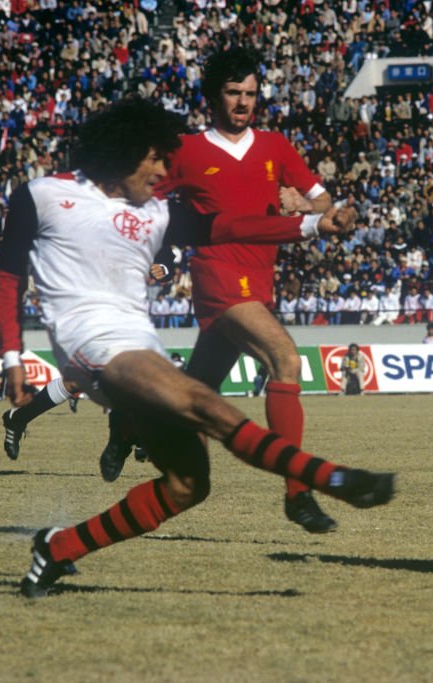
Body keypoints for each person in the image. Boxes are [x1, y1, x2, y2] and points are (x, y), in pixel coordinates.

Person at [0, 98, 394, 598]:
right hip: (87, 342)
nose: (165, 170)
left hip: (139, 343)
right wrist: (11, 354)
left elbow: (229, 228)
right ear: (128, 152)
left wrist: (312, 225)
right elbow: (7, 275)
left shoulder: (157, 209)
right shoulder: (44, 194)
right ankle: (332, 480)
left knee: (187, 485)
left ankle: (58, 547)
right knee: (204, 403)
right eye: (158, 158)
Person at [152, 48, 341, 534]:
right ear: (214, 96)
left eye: (251, 94)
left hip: (259, 283)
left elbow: (326, 204)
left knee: (197, 395)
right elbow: (144, 202)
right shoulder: (186, 149)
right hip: (217, 276)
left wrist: (309, 201)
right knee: (286, 359)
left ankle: (131, 426)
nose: (242, 102)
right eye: (234, 93)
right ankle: (298, 494)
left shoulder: (276, 145)